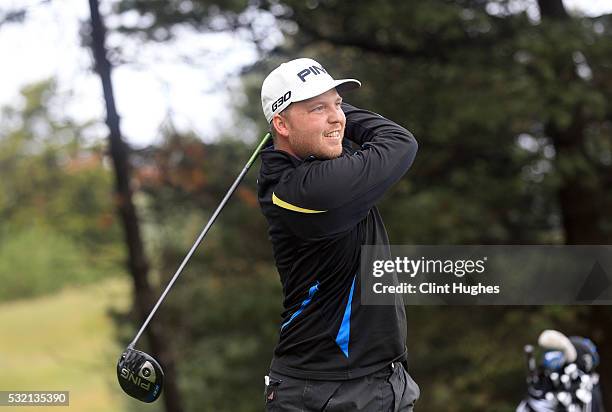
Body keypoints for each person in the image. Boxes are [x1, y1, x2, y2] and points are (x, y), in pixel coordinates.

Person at [257, 57, 420, 411]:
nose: (339, 117)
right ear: (282, 124)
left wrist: (325, 111)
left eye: (340, 104)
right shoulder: (306, 192)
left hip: (375, 381)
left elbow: (334, 133)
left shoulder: (314, 162)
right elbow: (399, 141)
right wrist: (332, 118)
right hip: (330, 394)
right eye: (318, 108)